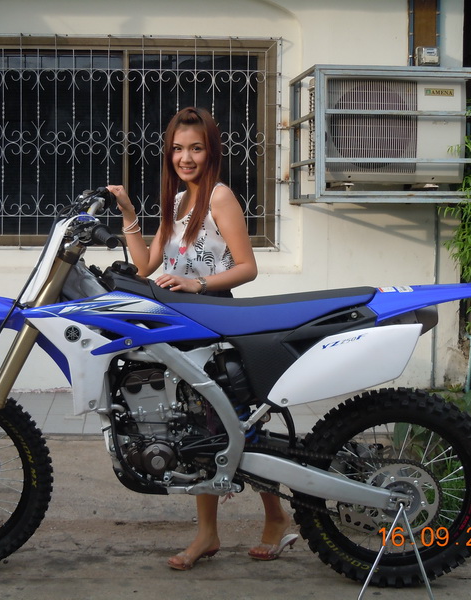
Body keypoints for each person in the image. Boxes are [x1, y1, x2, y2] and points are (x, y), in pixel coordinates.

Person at [107, 107, 298, 571]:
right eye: (177, 149)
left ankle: (276, 517)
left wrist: (197, 284)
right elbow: (146, 266)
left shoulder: (219, 196)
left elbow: (247, 267)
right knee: (196, 427)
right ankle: (208, 534)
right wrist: (130, 214)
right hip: (181, 323)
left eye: (195, 148)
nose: (185, 158)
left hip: (215, 317)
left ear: (210, 151)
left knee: (236, 424)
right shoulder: (177, 201)